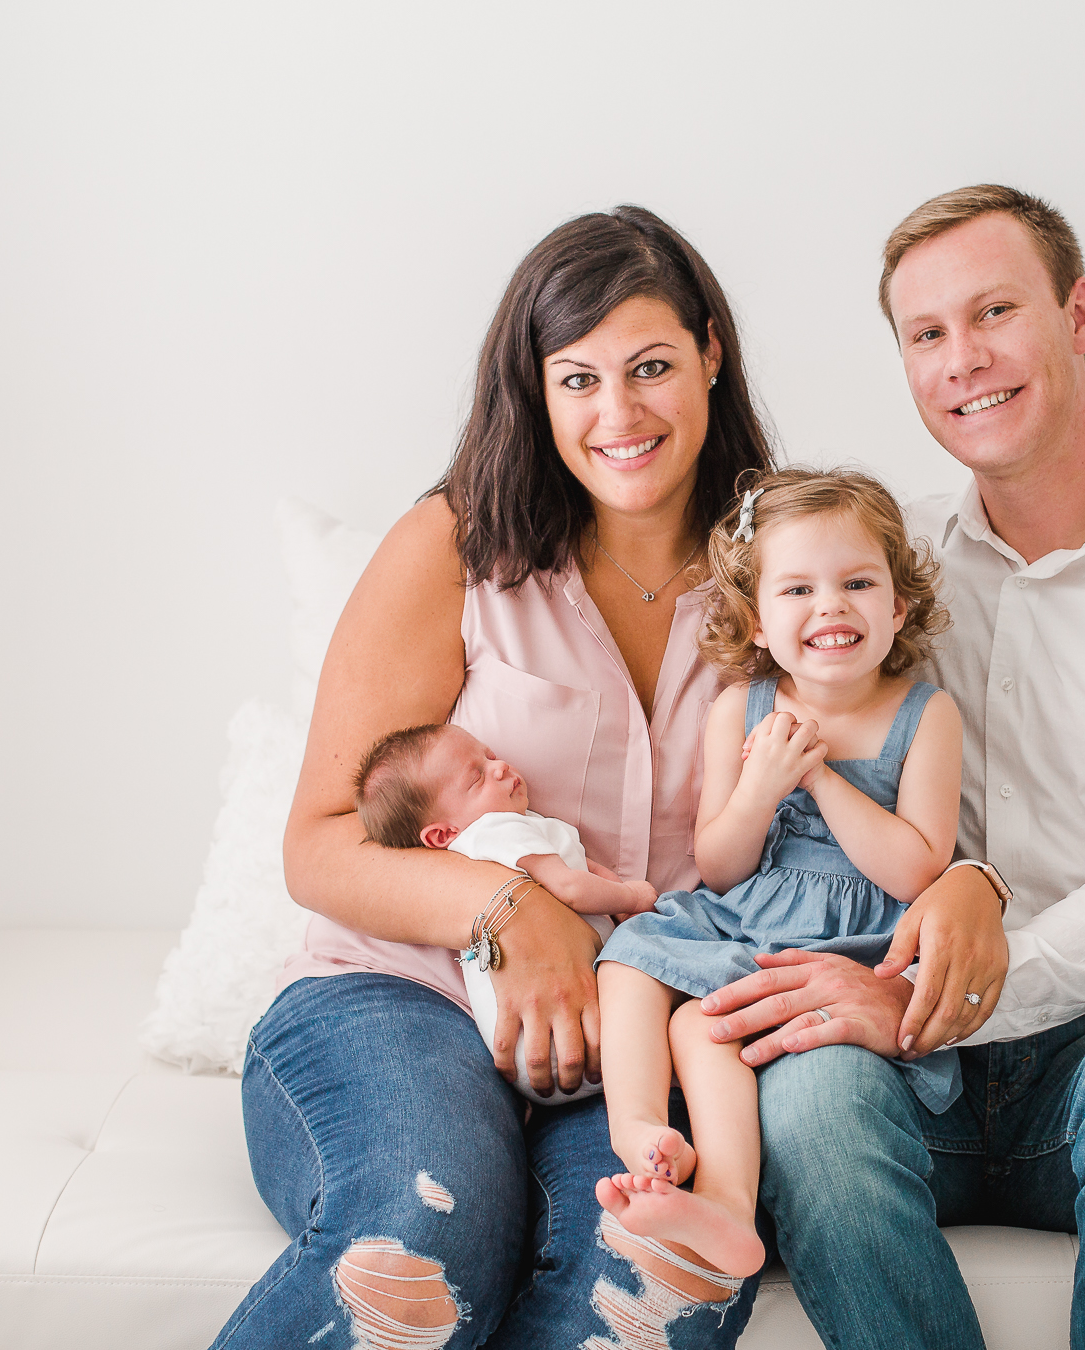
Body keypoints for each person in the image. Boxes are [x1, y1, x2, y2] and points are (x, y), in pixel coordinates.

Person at [698, 184, 1085, 1350]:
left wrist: (925, 992)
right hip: (896, 1048)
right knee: (810, 1098)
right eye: (926, 335)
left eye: (994, 312)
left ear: (1078, 315)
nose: (963, 359)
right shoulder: (890, 562)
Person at [210, 206, 784, 1350]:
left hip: (634, 1042)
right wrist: (501, 905)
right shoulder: (455, 543)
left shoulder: (787, 566)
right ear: (535, 390)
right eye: (576, 380)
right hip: (399, 1000)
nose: (616, 414)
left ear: (711, 352)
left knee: (648, 1282)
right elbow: (318, 843)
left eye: (651, 367)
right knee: (425, 1233)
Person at [590, 467, 964, 1282]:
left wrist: (822, 778)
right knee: (636, 967)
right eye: (797, 589)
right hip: (750, 917)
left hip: (855, 939)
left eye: (857, 582)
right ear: (759, 621)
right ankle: (650, 1139)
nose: (829, 606)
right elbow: (720, 864)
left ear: (897, 607)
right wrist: (763, 784)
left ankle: (725, 1198)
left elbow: (919, 866)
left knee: (706, 1023)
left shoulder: (922, 712)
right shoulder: (742, 706)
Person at [349, 722, 658, 1101]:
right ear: (442, 834)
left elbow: (582, 868)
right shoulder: (498, 829)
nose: (500, 767)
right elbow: (572, 887)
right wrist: (632, 897)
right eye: (476, 778)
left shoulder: (490, 842)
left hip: (534, 1053)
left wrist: (609, 889)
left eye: (490, 756)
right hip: (564, 1034)